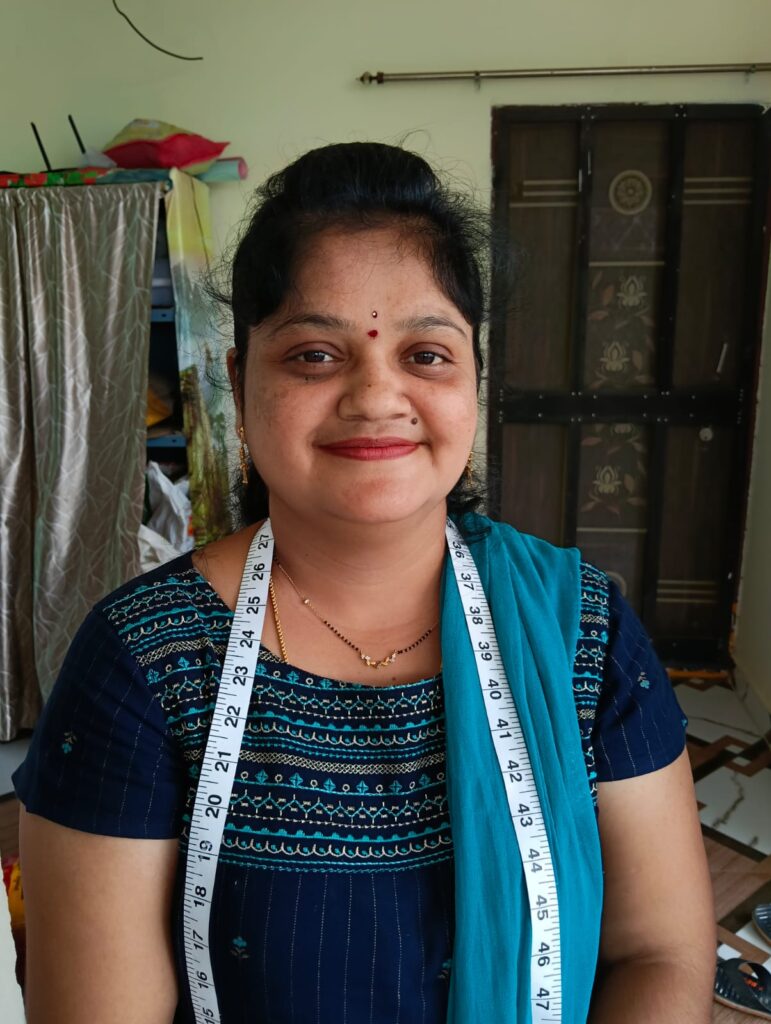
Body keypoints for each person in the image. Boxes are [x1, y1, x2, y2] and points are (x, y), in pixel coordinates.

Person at [14, 142, 716, 1023]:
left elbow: (659, 953)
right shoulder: (142, 661)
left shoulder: (580, 630)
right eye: (314, 355)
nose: (377, 395)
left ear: (475, 380)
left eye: (426, 354)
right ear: (237, 384)